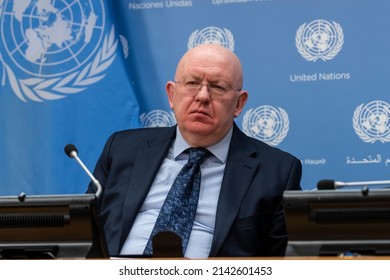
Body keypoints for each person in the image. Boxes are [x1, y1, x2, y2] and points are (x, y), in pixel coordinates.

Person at [88, 44, 302, 258]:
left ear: (239, 103)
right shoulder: (122, 149)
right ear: (172, 95)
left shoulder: (276, 172)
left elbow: (287, 262)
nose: (202, 96)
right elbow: (84, 235)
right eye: (192, 83)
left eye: (218, 87)